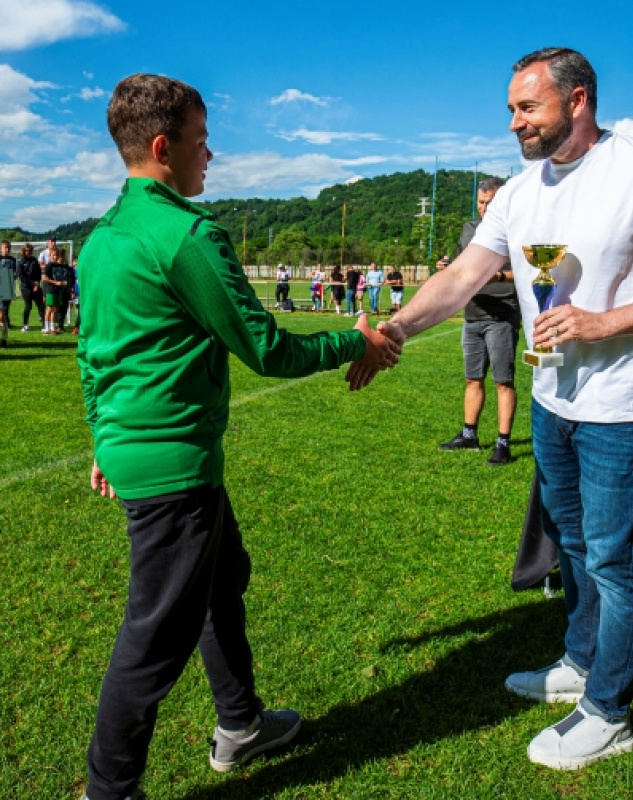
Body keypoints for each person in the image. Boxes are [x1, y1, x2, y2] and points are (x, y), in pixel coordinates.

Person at [369, 47, 633, 769]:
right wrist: (397, 330)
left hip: (626, 406)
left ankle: (610, 712)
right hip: (553, 400)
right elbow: (465, 274)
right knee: (571, 545)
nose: (514, 122)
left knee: (616, 558)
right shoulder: (519, 190)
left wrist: (604, 322)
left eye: (527, 107)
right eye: (510, 108)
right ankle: (579, 661)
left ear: (578, 100)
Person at [76, 73, 399, 800]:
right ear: (163, 148)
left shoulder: (99, 241)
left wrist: (102, 438)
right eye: (201, 140)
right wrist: (353, 342)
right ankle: (109, 790)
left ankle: (242, 724)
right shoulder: (188, 235)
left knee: (223, 583)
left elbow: (91, 358)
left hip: (146, 453)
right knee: (151, 641)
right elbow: (266, 348)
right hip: (172, 468)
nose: (211, 155)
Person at [437, 177, 520, 466]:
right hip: (472, 314)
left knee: (502, 381)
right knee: (473, 379)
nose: (485, 208)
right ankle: (469, 434)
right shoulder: (470, 229)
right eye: (481, 203)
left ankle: (502, 443)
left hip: (502, 315)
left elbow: (527, 271)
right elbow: (462, 267)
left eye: (491, 203)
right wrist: (447, 268)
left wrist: (496, 276)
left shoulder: (517, 229)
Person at [17, 243, 45, 330]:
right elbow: (21, 276)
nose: (30, 252)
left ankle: (45, 325)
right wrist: (33, 283)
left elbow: (39, 273)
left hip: (36, 286)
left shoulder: (34, 260)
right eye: (28, 251)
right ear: (24, 251)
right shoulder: (19, 261)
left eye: (31, 251)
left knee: (41, 305)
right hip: (26, 287)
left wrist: (37, 283)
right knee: (28, 306)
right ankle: (25, 325)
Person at [41, 247, 69, 334]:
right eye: (53, 255)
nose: (55, 257)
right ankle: (46, 327)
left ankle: (52, 327)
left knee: (55, 309)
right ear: (50, 256)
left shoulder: (59, 265)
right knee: (49, 308)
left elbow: (61, 276)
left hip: (58, 290)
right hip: (50, 290)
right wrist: (55, 282)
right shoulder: (48, 266)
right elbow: (44, 278)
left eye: (57, 255)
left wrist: (63, 283)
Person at [0, 240, 15, 347]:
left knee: (3, 313)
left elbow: (16, 273)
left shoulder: (13, 260)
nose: (7, 250)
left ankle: (4, 338)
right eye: (5, 247)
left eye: (8, 248)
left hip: (6, 288)